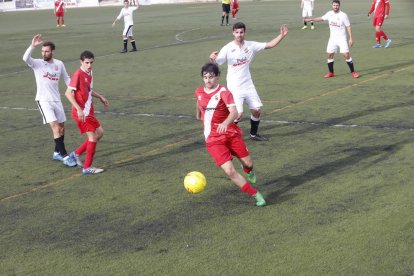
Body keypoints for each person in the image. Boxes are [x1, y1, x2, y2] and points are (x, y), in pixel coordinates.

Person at [195, 63, 266, 207]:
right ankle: (256, 195)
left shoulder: (224, 92)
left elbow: (233, 112)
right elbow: (199, 103)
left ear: (218, 76)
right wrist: (198, 115)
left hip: (230, 133)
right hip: (213, 139)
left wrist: (225, 123)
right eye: (205, 77)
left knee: (248, 164)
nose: (208, 80)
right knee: (229, 170)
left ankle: (247, 170)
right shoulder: (198, 92)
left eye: (211, 77)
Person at [209, 22, 288, 142]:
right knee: (238, 114)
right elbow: (216, 62)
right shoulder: (228, 48)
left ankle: (253, 134)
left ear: (244, 32)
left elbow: (269, 45)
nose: (239, 35)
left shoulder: (251, 45)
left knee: (256, 110)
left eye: (241, 32)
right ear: (233, 33)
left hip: (248, 84)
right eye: (236, 32)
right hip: (234, 85)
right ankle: (223, 135)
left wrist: (281, 35)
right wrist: (212, 58)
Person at [22, 34, 76, 167]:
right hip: (43, 100)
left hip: (56, 100)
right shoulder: (37, 64)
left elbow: (67, 79)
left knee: (62, 127)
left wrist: (74, 89)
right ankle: (65, 156)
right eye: (42, 51)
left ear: (52, 51)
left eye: (46, 51)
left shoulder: (59, 64)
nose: (44, 53)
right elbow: (25, 58)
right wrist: (32, 46)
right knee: (56, 128)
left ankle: (57, 153)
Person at [65, 50, 109, 175]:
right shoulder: (78, 74)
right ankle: (87, 167)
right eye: (87, 63)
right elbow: (68, 93)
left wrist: (100, 96)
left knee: (99, 133)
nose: (89, 65)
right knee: (93, 137)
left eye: (91, 62)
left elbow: (89, 91)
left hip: (89, 111)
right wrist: (78, 109)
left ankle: (75, 154)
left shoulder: (89, 73)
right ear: (81, 62)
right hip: (81, 113)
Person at [305, 0, 360, 78]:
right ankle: (331, 73)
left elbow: (348, 26)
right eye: (334, 5)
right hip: (332, 39)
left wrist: (351, 38)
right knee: (330, 55)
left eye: (337, 5)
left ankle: (353, 72)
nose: (335, 7)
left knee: (346, 55)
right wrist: (311, 19)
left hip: (342, 39)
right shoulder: (329, 14)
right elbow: (321, 18)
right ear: (332, 6)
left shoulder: (343, 15)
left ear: (339, 6)